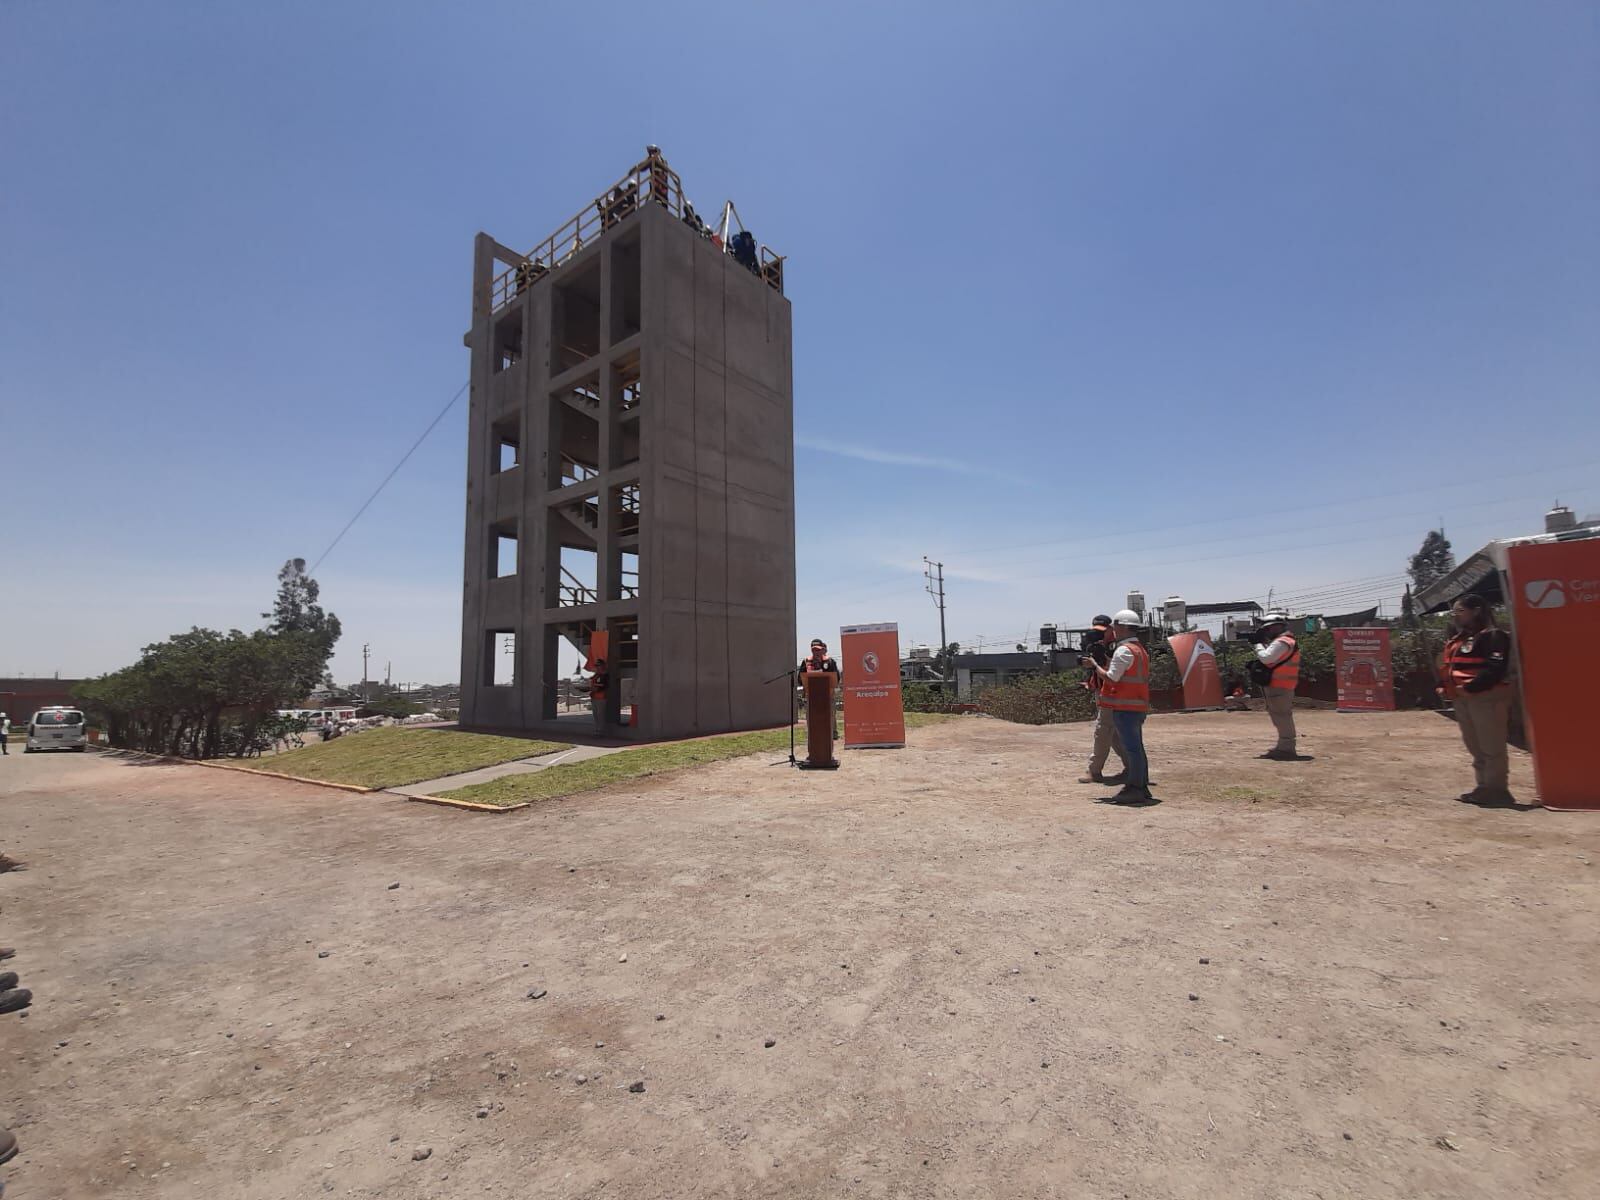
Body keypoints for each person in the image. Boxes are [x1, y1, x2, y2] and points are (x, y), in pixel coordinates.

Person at [1438, 593, 1515, 804]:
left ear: (1477, 611)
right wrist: (1445, 687)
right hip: (1463, 699)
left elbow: (1495, 668)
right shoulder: (1460, 639)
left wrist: (1471, 687)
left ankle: (1498, 790)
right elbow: (1450, 666)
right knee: (1475, 746)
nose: (1456, 616)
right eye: (1454, 612)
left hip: (1486, 698)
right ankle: (1483, 787)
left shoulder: (1493, 636)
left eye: (1460, 611)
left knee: (1492, 746)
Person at [1085, 610, 1154, 804]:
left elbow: (1112, 677)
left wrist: (1094, 665)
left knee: (1132, 749)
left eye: (1115, 626)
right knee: (1136, 748)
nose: (1113, 630)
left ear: (1122, 627)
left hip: (1126, 706)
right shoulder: (1138, 649)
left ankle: (1135, 788)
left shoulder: (1124, 650)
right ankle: (1141, 786)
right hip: (1136, 705)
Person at [1077, 616, 1128, 785]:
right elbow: (1098, 672)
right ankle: (1133, 768)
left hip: (1114, 693)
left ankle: (1094, 770)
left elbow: (1114, 672)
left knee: (1103, 730)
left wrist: (1100, 661)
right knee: (1114, 735)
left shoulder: (1118, 648)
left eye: (1101, 631)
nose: (1097, 635)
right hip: (1104, 691)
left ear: (1110, 629)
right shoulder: (1100, 647)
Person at [1253, 611, 1302, 760]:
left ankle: (1287, 748)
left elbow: (1267, 658)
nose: (1267, 631)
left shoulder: (1283, 641)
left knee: (1282, 717)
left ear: (1277, 627)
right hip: (1280, 684)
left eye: (1269, 628)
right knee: (1279, 716)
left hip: (1281, 685)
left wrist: (1257, 644)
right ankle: (1284, 746)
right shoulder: (1284, 641)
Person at [799, 638, 842, 736]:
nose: (816, 652)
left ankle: (831, 734)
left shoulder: (830, 662)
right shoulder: (806, 662)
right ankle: (812, 735)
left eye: (818, 650)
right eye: (814, 650)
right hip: (811, 697)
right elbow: (800, 679)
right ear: (811, 650)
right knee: (811, 718)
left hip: (827, 696)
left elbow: (837, 678)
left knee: (830, 716)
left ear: (822, 649)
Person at [587, 657, 610, 733]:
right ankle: (597, 729)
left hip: (601, 697)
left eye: (598, 665)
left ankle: (601, 730)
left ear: (603, 666)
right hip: (594, 697)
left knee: (601, 715)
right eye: (596, 666)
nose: (597, 667)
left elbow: (602, 686)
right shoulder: (596, 675)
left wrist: (593, 689)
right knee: (595, 715)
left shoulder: (605, 675)